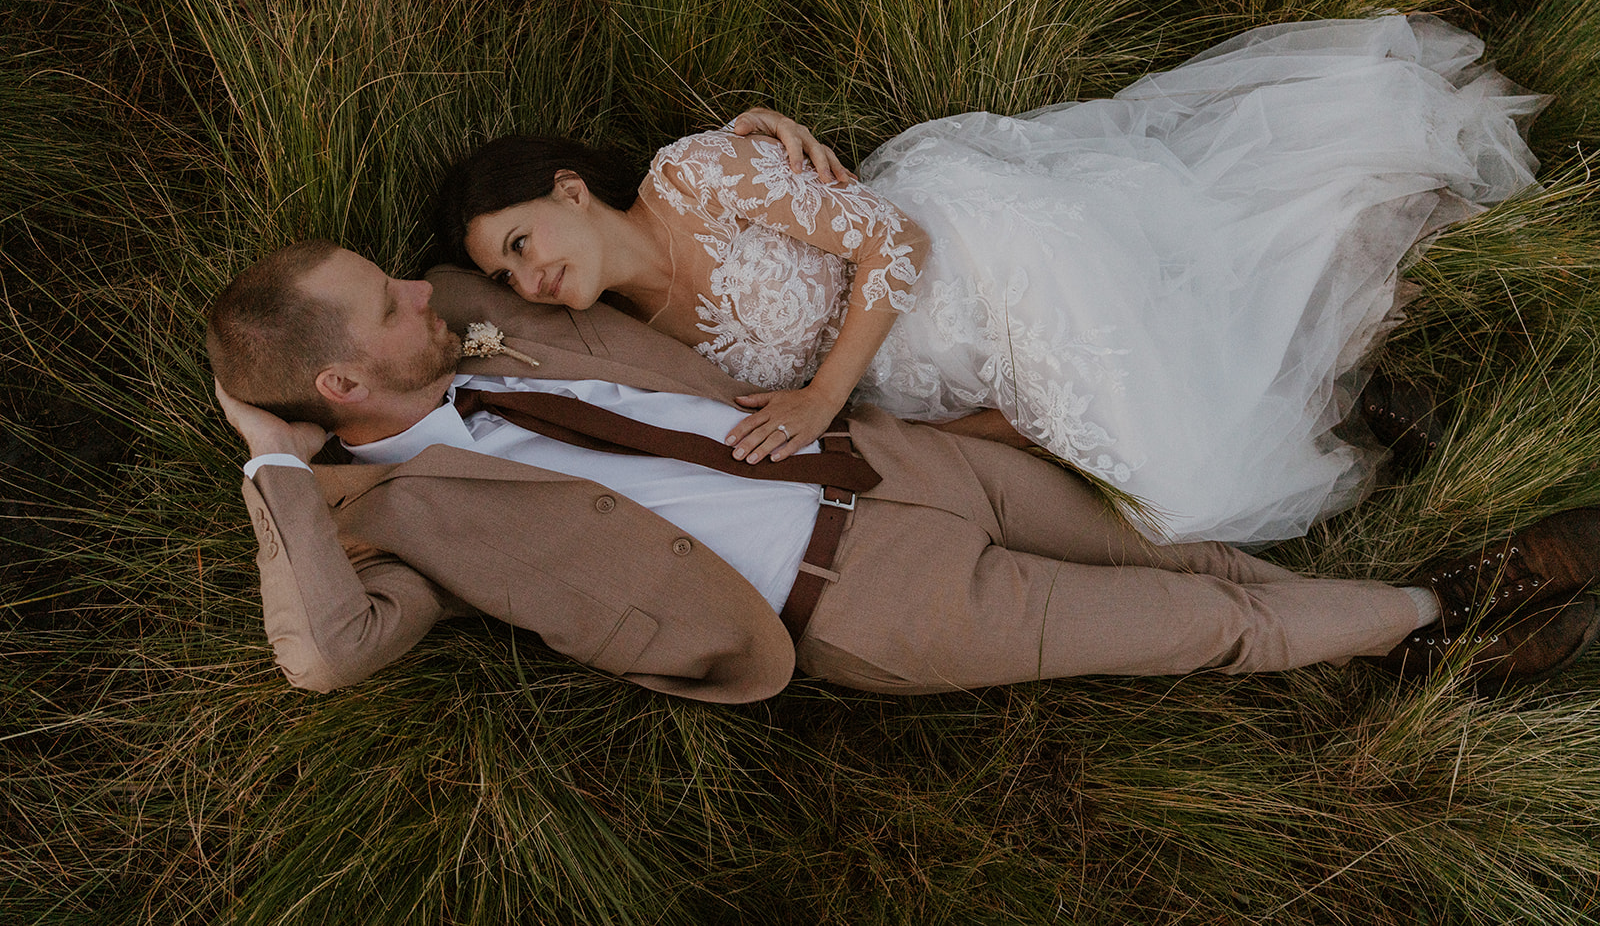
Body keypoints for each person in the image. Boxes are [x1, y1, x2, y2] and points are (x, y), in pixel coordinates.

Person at [205, 241, 1600, 702]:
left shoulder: (475, 319)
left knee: (1178, 553)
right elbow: (325, 652)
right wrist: (270, 462)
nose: (409, 285)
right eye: (379, 299)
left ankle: (1396, 640)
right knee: (1208, 624)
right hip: (874, 599)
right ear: (337, 387)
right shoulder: (386, 515)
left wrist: (751, 133)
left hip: (894, 461)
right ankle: (1449, 604)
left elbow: (547, 228)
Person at [429, 14, 1549, 547]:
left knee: (1194, 481)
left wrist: (822, 397)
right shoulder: (652, 337)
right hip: (932, 368)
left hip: (973, 255)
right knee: (1170, 483)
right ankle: (1339, 380)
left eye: (519, 242)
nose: (528, 279)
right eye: (503, 277)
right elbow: (858, 405)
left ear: (569, 190)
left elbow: (894, 243)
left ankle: (1337, 357)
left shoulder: (696, 174)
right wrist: (984, 425)